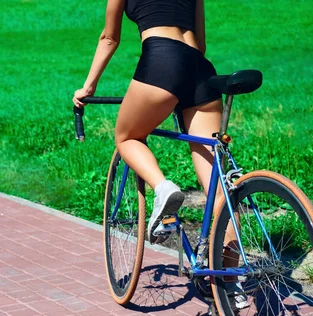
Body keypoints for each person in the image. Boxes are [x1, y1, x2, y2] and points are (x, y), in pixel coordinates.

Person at [73, 0, 223, 245]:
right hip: (201, 69)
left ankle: (163, 189)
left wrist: (88, 87)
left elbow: (109, 38)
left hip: (163, 60)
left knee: (126, 137)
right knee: (218, 191)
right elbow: (201, 43)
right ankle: (230, 279)